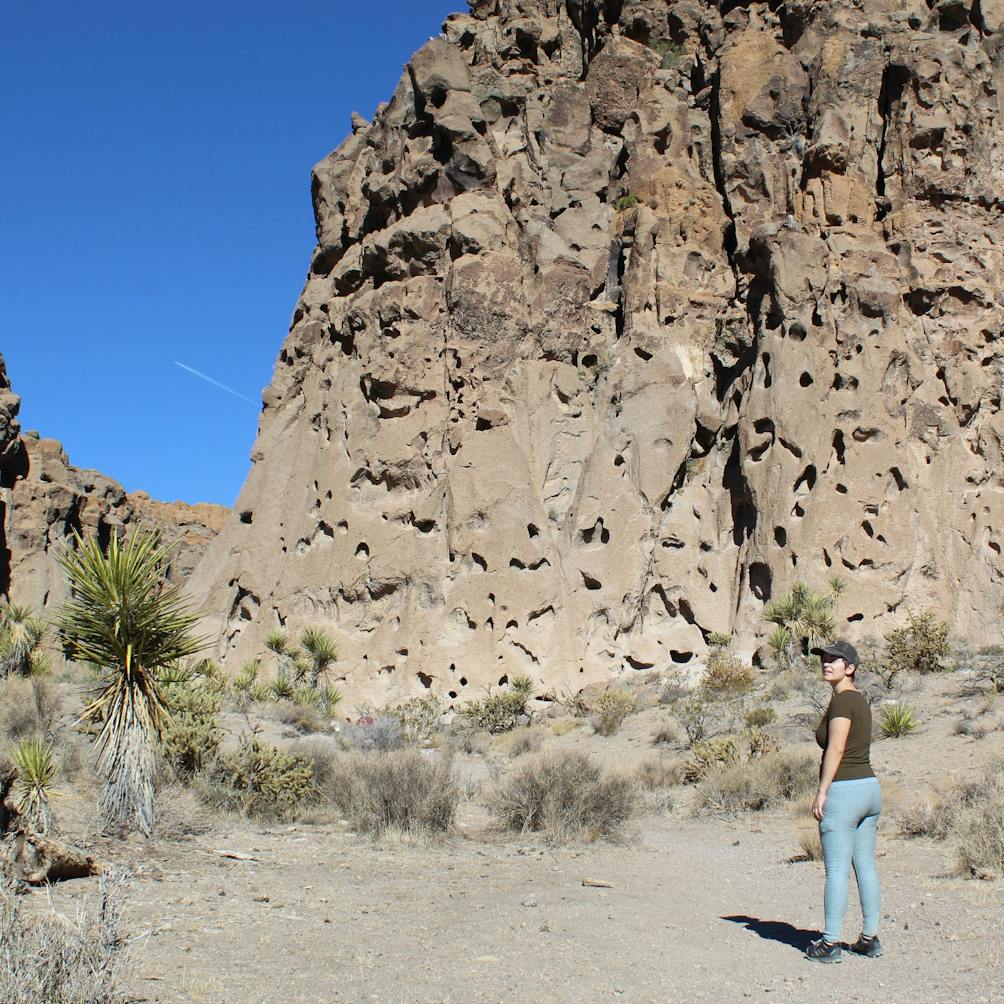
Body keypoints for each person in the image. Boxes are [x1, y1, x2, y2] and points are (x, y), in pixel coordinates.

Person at [804, 639, 883, 964]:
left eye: (835, 659)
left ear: (850, 667)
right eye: (824, 658)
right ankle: (869, 937)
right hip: (869, 789)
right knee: (864, 864)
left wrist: (823, 790)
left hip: (845, 791)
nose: (827, 662)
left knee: (836, 868)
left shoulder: (842, 703)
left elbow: (835, 749)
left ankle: (830, 942)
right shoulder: (858, 700)